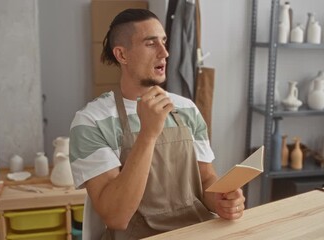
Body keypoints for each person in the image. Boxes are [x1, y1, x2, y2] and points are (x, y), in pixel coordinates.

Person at [69, 8, 245, 240]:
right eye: (151, 44)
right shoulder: (92, 121)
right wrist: (148, 134)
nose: (165, 52)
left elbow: (205, 180)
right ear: (122, 55)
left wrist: (222, 200)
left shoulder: (187, 109)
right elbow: (116, 216)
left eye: (163, 41)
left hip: (195, 231)